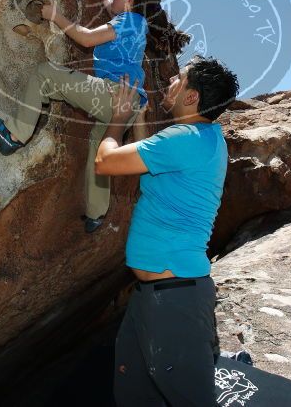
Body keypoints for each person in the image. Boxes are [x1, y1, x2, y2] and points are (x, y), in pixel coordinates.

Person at [0, 0, 186, 233]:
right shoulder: (137, 23)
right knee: (98, 150)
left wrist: (55, 16)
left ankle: (14, 134)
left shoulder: (128, 21)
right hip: (126, 108)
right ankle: (96, 214)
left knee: (45, 74)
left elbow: (87, 38)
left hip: (112, 94)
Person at [94, 55, 240, 406]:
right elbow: (153, 165)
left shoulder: (186, 138)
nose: (170, 82)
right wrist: (141, 120)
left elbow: (106, 162)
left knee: (189, 399)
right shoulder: (201, 137)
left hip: (175, 297)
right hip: (155, 294)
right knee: (135, 393)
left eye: (179, 78)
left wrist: (117, 119)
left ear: (192, 97)